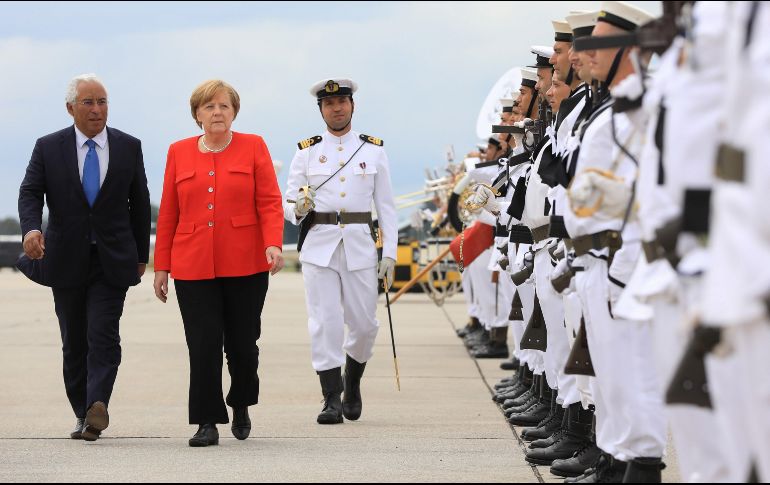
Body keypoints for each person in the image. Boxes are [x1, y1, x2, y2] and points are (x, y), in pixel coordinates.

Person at [17, 73, 151, 442]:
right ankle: (82, 413)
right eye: (89, 102)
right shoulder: (48, 147)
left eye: (102, 102)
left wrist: (142, 255)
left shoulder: (128, 146)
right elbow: (30, 193)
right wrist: (31, 229)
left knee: (102, 334)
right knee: (74, 340)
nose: (97, 109)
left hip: (112, 259)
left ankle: (98, 404)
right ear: (70, 108)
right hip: (65, 258)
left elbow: (139, 203)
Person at [153, 79, 284, 447]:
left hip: (246, 262)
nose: (217, 112)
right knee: (203, 344)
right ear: (197, 114)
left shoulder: (254, 146)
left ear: (234, 112)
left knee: (243, 344)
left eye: (224, 106)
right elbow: (169, 213)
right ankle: (207, 420)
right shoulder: (178, 152)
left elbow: (270, 202)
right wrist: (162, 265)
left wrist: (272, 243)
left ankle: (241, 401)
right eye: (209, 107)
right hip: (193, 265)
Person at [283, 78, 397, 425]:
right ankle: (331, 397)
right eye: (329, 104)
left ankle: (353, 381)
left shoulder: (373, 150)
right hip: (320, 244)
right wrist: (299, 206)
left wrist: (389, 253)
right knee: (325, 322)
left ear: (352, 106)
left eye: (342, 102)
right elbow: (288, 205)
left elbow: (387, 208)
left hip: (361, 245)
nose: (336, 108)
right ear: (321, 110)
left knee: (364, 325)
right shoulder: (306, 151)